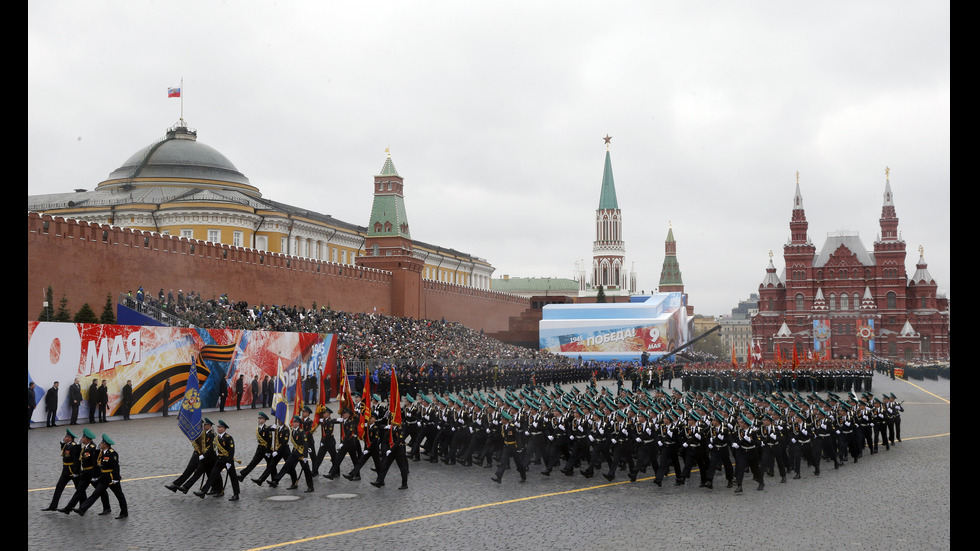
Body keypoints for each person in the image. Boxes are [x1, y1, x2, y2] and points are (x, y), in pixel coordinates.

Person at [73, 434, 128, 519]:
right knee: (95, 494)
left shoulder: (112, 453)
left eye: (102, 443)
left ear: (106, 444)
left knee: (119, 495)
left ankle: (124, 512)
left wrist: (116, 478)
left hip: (111, 478)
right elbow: (96, 460)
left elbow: (116, 467)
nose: (100, 444)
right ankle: (82, 509)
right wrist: (97, 450)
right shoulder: (101, 453)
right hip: (103, 478)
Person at [60, 428, 107, 515]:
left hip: (91, 473)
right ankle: (68, 508)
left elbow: (95, 463)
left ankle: (107, 508)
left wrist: (95, 476)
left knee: (101, 491)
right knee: (79, 491)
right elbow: (78, 455)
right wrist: (78, 445)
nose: (81, 438)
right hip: (85, 473)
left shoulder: (92, 448)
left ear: (87, 439)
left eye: (83, 437)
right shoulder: (86, 447)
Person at [195, 420, 241, 501]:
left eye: (220, 427)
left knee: (233, 477)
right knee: (212, 475)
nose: (218, 429)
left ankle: (236, 494)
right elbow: (212, 449)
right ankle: (203, 492)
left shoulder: (228, 438)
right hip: (219, 459)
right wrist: (203, 456)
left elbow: (231, 450)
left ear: (224, 429)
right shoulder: (216, 438)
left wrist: (229, 462)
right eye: (218, 427)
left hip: (227, 460)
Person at [42, 428, 82, 511]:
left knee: (79, 489)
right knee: (59, 487)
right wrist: (62, 444)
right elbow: (64, 453)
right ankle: (53, 506)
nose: (64, 438)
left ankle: (83, 506)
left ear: (70, 438)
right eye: (65, 436)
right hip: (65, 471)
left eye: (66, 437)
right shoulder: (66, 445)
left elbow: (77, 460)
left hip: (72, 471)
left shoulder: (74, 446)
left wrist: (75, 472)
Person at [238, 412, 274, 482]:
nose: (259, 420)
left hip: (266, 449)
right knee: (253, 463)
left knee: (270, 465)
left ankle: (274, 480)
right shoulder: (258, 428)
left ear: (264, 420)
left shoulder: (267, 429)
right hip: (260, 449)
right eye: (259, 418)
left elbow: (269, 441)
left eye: (261, 419)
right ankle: (243, 475)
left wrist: (268, 451)